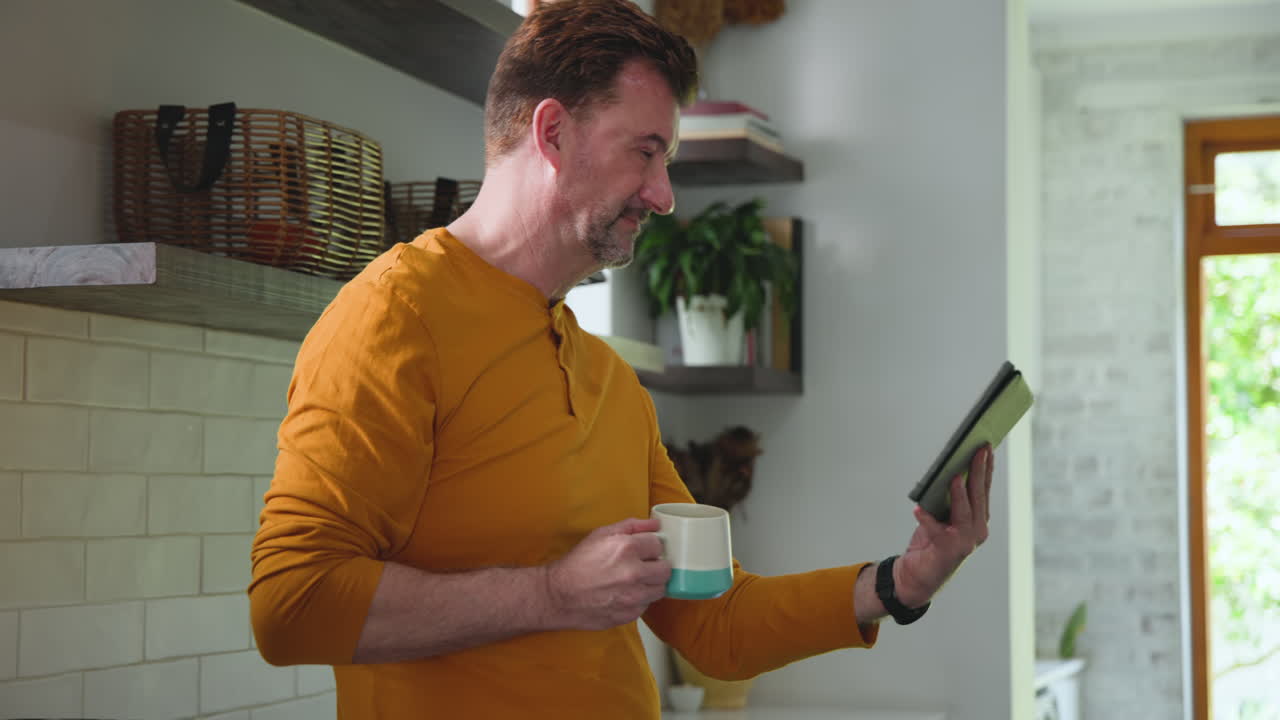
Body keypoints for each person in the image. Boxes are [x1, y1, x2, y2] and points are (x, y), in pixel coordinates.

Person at [248, 0, 994, 717]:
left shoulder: (607, 379)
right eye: (646, 152)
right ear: (552, 133)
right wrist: (550, 594)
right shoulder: (396, 316)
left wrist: (902, 583)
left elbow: (716, 621)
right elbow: (292, 604)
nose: (664, 196)